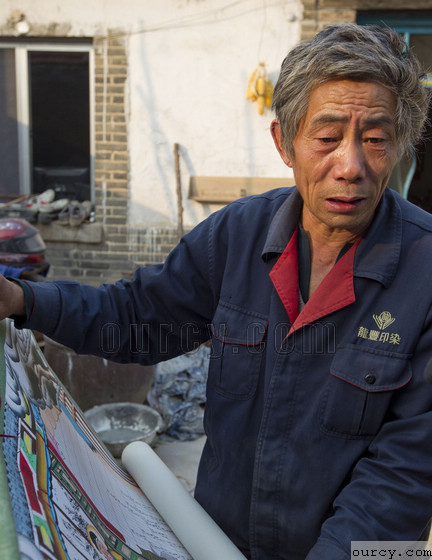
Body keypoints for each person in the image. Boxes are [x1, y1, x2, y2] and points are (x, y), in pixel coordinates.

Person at [1, 23, 432, 560]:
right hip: (217, 544)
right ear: (284, 143)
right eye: (326, 138)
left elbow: (407, 472)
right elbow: (138, 317)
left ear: (400, 145)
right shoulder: (237, 236)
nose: (351, 166)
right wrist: (22, 300)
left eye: (375, 140)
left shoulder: (424, 269)